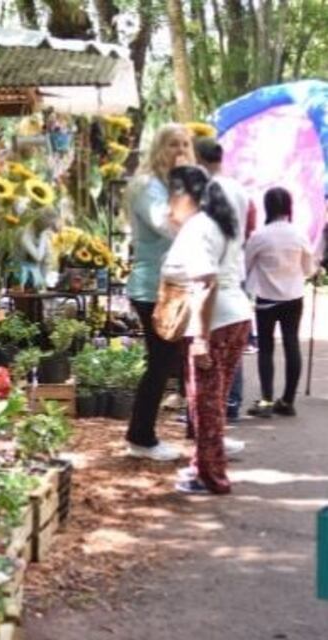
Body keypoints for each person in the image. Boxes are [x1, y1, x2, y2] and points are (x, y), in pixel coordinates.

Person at [161, 165, 252, 495]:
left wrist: (199, 337)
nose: (169, 203)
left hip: (214, 323)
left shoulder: (198, 228)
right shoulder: (218, 222)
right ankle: (202, 468)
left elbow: (205, 282)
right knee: (213, 401)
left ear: (185, 194)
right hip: (236, 316)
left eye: (172, 194)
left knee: (206, 405)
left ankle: (211, 477)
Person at [124, 123, 194, 461]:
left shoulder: (169, 186)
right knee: (162, 362)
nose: (179, 151)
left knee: (167, 361)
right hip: (152, 287)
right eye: (172, 145)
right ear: (158, 149)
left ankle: (143, 435)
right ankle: (141, 438)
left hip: (171, 286)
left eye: (184, 144)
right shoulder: (148, 187)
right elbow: (169, 225)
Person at [194, 137, 255, 423]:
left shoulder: (208, 189)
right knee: (230, 348)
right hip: (233, 268)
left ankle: (210, 412)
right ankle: (229, 402)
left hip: (213, 270)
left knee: (209, 347)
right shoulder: (240, 190)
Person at [243, 188, 317, 418]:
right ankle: (287, 401)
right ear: (288, 207)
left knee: (266, 349)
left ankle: (265, 402)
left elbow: (245, 266)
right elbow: (309, 269)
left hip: (266, 298)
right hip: (293, 297)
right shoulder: (299, 234)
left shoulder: (260, 236)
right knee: (291, 345)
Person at [17, 209, 58, 291]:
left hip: (38, 274)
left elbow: (48, 258)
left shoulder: (43, 233)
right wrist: (44, 236)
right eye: (48, 225)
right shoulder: (25, 234)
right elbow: (38, 257)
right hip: (22, 274)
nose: (49, 228)